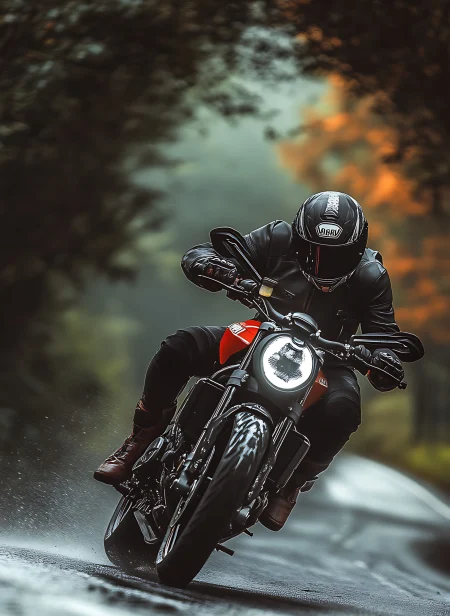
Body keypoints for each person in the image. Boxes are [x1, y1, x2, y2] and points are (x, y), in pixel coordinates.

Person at [94, 191, 404, 530]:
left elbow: (384, 334)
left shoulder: (371, 275)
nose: (321, 263)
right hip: (260, 333)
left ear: (357, 249)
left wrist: (383, 360)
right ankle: (141, 436)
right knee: (179, 346)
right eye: (313, 251)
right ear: (298, 237)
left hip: (330, 358)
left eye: (335, 255)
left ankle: (292, 482)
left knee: (344, 409)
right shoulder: (278, 237)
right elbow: (206, 252)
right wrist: (214, 265)